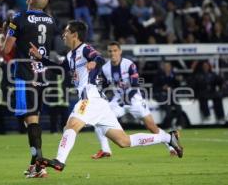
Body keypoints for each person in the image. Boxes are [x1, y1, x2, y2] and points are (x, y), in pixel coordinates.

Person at [29, 20, 183, 173]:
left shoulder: (84, 49)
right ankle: (168, 138)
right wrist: (40, 58)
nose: (63, 35)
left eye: (67, 32)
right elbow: (60, 69)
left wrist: (94, 63)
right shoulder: (70, 55)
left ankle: (59, 161)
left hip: (89, 97)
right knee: (124, 141)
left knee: (71, 126)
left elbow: (99, 57)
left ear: (75, 35)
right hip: (99, 103)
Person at [0, 0, 57, 178]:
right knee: (33, 118)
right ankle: (35, 165)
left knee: (31, 120)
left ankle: (39, 166)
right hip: (42, 73)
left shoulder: (18, 18)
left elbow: (6, 49)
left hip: (25, 72)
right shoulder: (51, 20)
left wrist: (0, 35)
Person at [91, 42, 177, 159]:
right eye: (110, 51)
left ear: (120, 51)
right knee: (99, 119)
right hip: (118, 101)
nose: (112, 53)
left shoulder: (129, 64)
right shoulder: (105, 68)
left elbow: (135, 85)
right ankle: (106, 150)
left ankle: (171, 145)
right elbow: (105, 86)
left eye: (115, 50)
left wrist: (126, 98)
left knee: (152, 127)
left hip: (134, 99)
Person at [153, 62, 184, 129]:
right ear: (163, 68)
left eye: (168, 66)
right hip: (161, 95)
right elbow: (154, 87)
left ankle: (178, 124)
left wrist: (178, 80)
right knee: (168, 110)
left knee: (179, 108)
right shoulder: (159, 75)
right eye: (165, 66)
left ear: (171, 67)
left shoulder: (174, 75)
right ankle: (167, 125)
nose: (167, 68)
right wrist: (162, 88)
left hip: (171, 94)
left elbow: (177, 85)